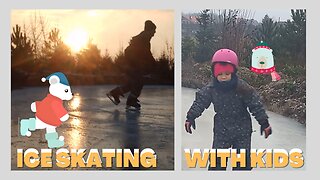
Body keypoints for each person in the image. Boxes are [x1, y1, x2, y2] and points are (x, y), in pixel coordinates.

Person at [185, 48, 272, 170]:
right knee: (217, 163)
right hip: (222, 129)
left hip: (242, 129)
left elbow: (255, 105)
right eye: (220, 74)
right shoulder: (211, 88)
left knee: (242, 163)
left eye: (227, 74)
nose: (224, 77)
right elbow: (200, 102)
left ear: (233, 72)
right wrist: (191, 117)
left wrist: (264, 123)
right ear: (215, 74)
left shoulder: (242, 88)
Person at [107, 20, 157, 110]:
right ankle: (131, 100)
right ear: (148, 30)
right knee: (139, 81)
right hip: (132, 65)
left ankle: (115, 92)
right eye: (153, 31)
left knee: (131, 84)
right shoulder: (142, 40)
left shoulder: (144, 40)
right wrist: (133, 64)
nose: (154, 33)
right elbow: (145, 54)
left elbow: (147, 55)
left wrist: (152, 64)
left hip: (133, 64)